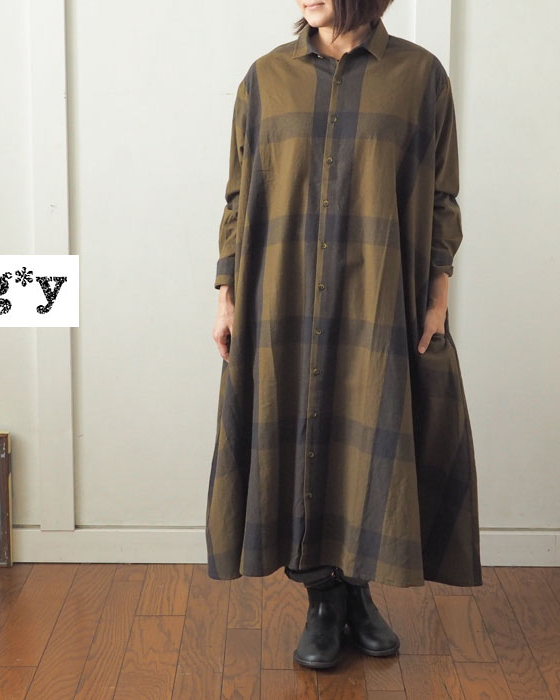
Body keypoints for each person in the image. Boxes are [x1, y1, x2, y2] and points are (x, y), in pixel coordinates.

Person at [206, 0, 483, 670]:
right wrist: (226, 293)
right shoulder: (265, 79)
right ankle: (322, 601)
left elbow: (442, 198)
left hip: (378, 294)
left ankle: (356, 591)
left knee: (369, 432)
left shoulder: (420, 78)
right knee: (296, 432)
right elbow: (239, 196)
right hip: (283, 294)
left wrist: (438, 297)